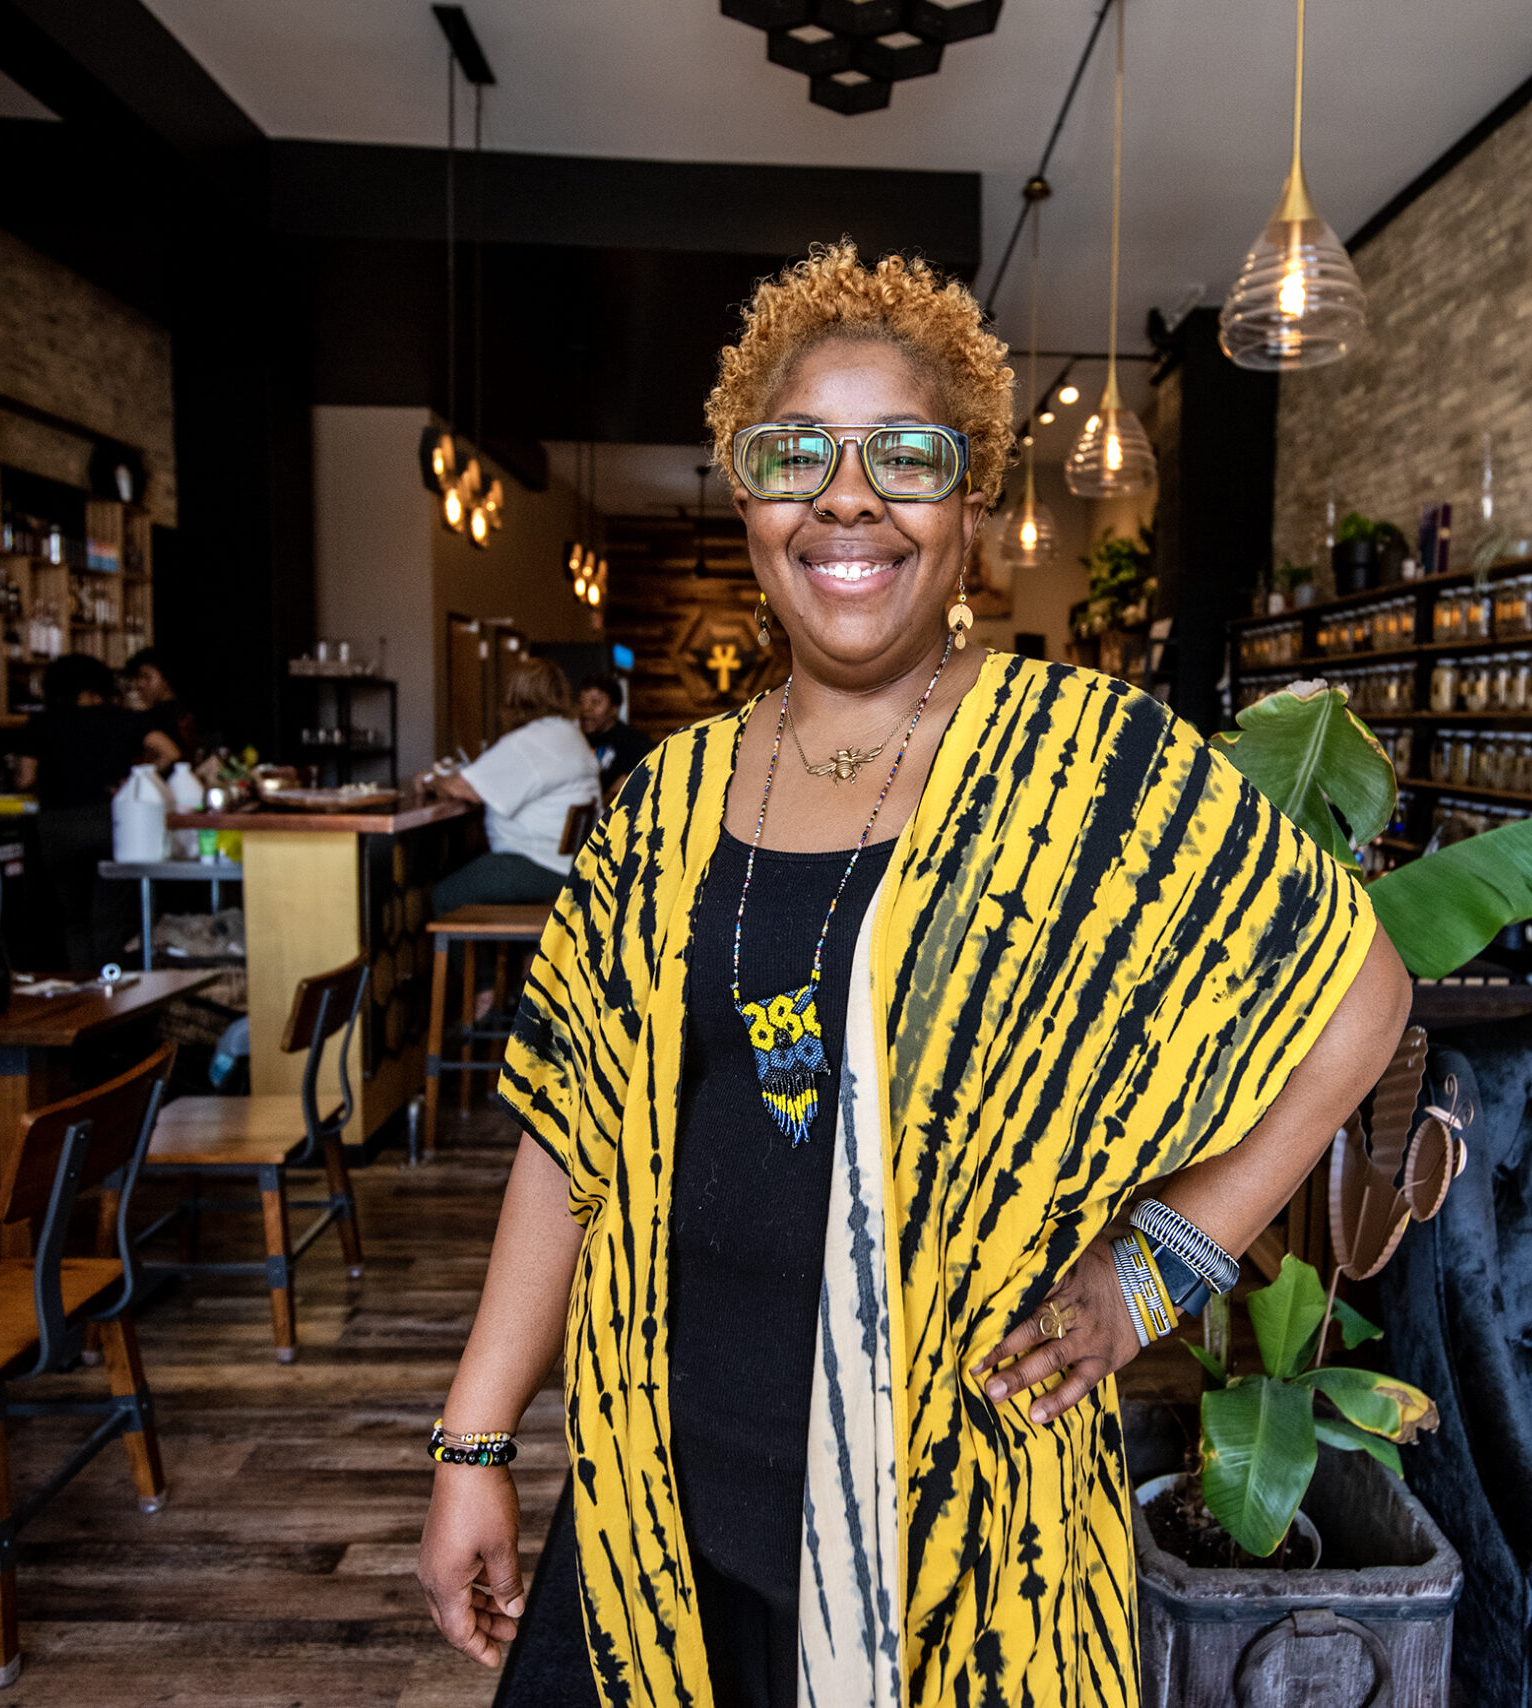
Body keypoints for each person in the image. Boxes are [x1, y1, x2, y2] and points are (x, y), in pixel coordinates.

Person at [414, 243, 1412, 1708]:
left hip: (969, 1538)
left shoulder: (1090, 764)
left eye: (906, 455)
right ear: (747, 496)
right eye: (797, 452)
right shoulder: (659, 804)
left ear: (975, 506)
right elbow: (569, 1138)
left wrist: (1156, 1275)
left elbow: (1361, 996)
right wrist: (476, 1441)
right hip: (660, 1513)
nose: (847, 494)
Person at [421, 659, 601, 915]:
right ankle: (508, 954)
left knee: (446, 896)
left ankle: (480, 954)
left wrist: (431, 779)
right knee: (471, 872)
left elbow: (464, 788)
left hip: (538, 865)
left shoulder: (530, 741)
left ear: (517, 694)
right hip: (570, 866)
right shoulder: (569, 735)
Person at [20, 652, 148, 971]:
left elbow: (26, 777)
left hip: (58, 825)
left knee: (73, 917)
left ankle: (84, 995)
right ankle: (113, 995)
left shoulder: (41, 724)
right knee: (108, 916)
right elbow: (169, 751)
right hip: (109, 822)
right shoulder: (121, 720)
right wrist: (137, 779)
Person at [575, 671, 650, 792]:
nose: (586, 710)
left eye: (595, 702)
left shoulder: (635, 744)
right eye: (581, 702)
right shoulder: (574, 741)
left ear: (615, 708)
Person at [120, 646, 195, 767]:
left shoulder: (157, 716)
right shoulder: (181, 710)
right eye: (138, 678)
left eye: (147, 677)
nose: (140, 684)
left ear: (166, 679)